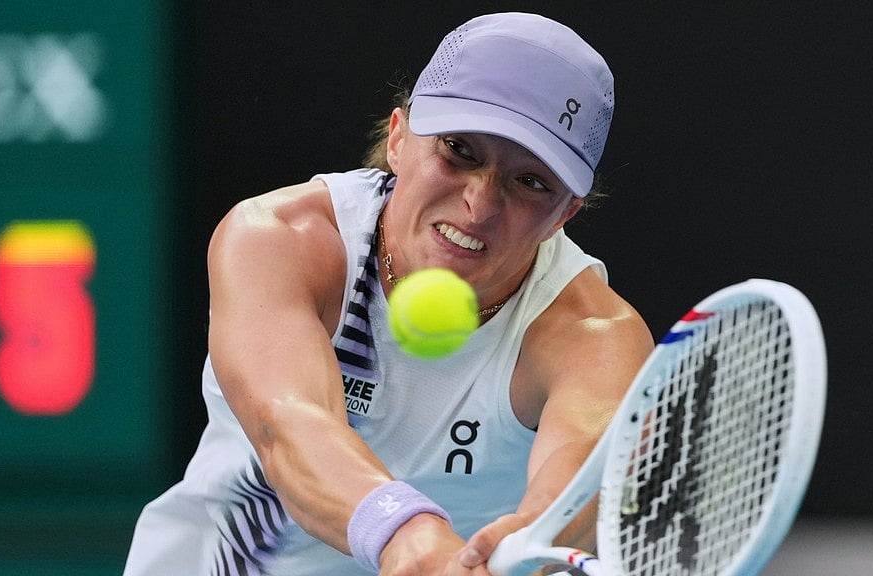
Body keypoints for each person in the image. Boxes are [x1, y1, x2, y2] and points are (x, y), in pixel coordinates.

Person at [124, 11, 653, 576]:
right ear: (399, 138)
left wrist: (526, 543)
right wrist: (405, 534)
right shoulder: (281, 241)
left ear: (563, 215)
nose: (480, 203)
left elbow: (571, 501)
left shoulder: (596, 340)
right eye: (459, 150)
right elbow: (291, 428)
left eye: (530, 182)